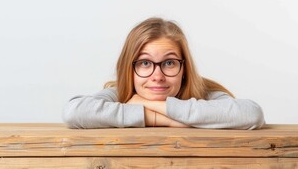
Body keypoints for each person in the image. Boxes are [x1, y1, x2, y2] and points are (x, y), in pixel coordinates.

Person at [62, 17, 265, 129]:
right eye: (144, 63)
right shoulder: (120, 94)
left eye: (169, 63)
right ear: (129, 69)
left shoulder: (203, 93)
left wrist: (148, 103)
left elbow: (252, 114)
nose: (157, 76)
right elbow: (73, 112)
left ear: (184, 68)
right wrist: (162, 120)